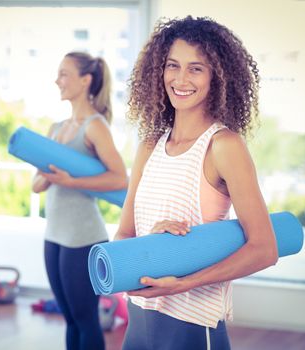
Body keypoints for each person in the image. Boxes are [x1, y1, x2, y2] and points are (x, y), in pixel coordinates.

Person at [114, 16, 279, 350]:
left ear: (217, 77)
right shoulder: (149, 146)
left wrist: (184, 283)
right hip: (139, 323)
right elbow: (124, 235)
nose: (181, 78)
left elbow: (265, 249)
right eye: (172, 66)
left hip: (192, 327)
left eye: (196, 69)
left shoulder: (224, 146)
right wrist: (151, 247)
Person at [32, 52, 127, 350]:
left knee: (85, 319)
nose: (57, 80)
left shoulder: (95, 126)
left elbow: (119, 178)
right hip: (55, 235)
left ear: (86, 80)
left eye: (64, 74)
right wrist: (49, 176)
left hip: (83, 238)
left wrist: (73, 181)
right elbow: (36, 185)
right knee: (70, 319)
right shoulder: (56, 128)